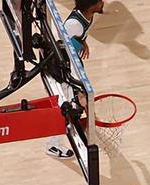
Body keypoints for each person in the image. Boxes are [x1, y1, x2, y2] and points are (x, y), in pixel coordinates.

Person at [45, 0, 105, 159]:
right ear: (92, 5)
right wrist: (76, 81)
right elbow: (63, 49)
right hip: (62, 66)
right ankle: (53, 144)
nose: (103, 2)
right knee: (66, 106)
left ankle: (81, 130)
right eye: (100, 1)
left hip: (70, 62)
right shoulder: (74, 24)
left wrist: (82, 42)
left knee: (79, 102)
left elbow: (73, 40)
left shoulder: (87, 15)